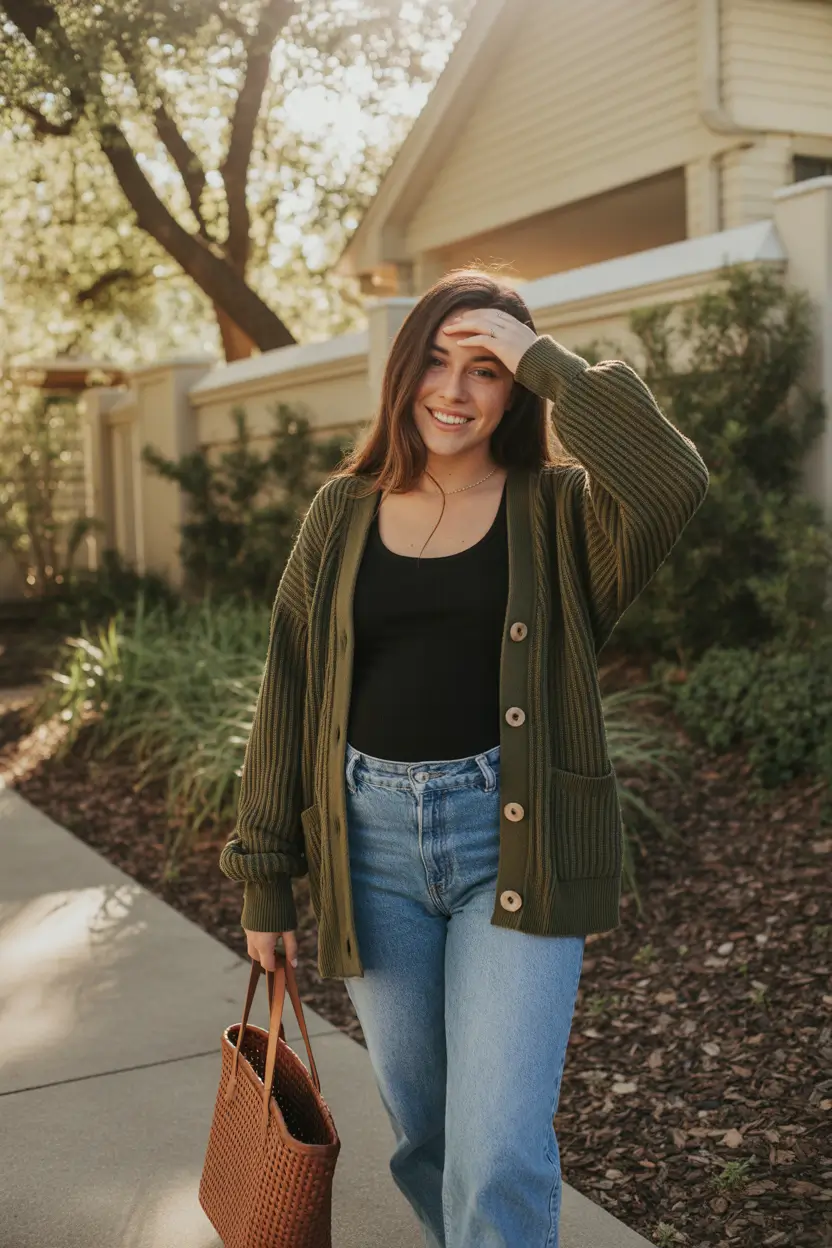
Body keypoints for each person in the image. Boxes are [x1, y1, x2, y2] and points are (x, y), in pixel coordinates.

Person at [219, 270, 709, 1247]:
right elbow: (291, 689)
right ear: (403, 376)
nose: (454, 388)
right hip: (370, 856)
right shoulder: (340, 513)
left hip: (508, 848)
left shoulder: (565, 514)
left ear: (517, 388)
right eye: (437, 361)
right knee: (430, 1138)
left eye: (486, 369)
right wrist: (264, 876)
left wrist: (547, 359)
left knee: (499, 1149)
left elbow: (671, 479)